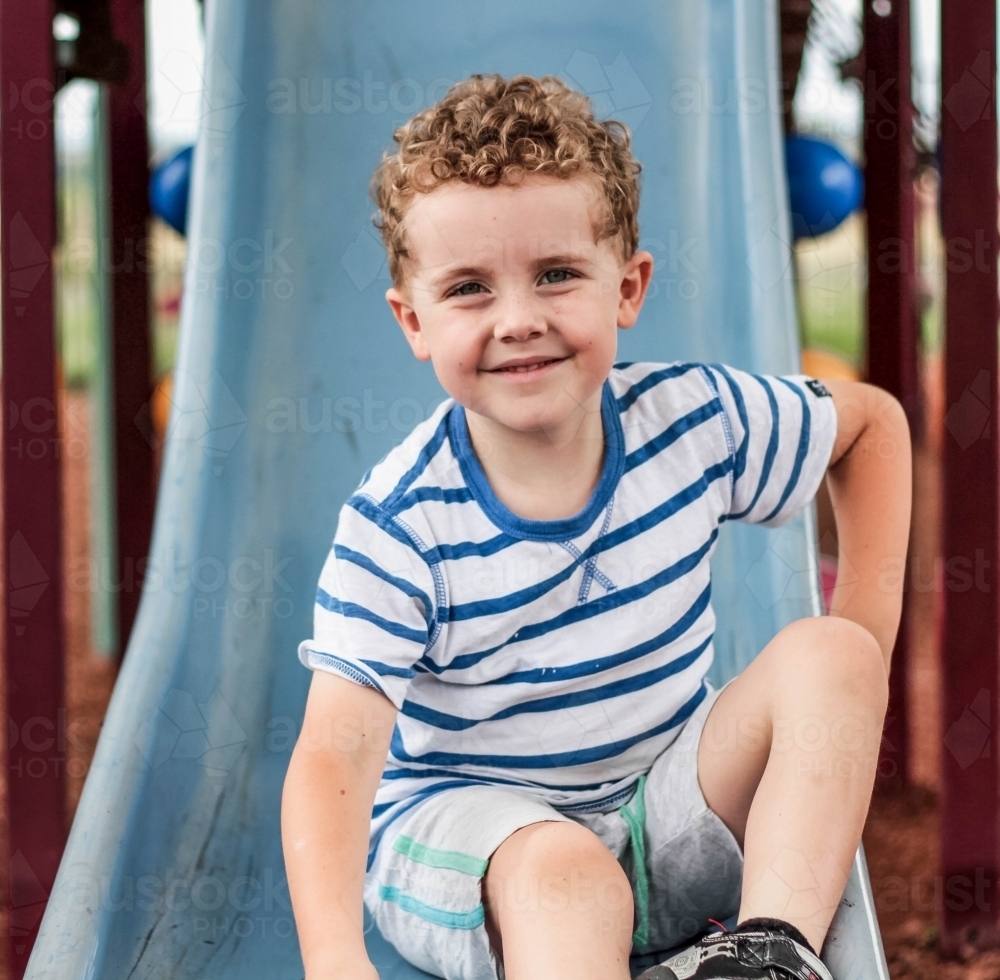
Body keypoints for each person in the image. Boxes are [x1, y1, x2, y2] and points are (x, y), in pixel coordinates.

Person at [281, 74, 911, 980]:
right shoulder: (402, 524)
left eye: (557, 273)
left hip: (662, 813)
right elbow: (333, 756)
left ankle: (768, 953)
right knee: (568, 878)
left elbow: (870, 429)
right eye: (469, 289)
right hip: (482, 844)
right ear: (413, 322)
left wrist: (865, 665)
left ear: (629, 286)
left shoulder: (691, 421)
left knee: (836, 652)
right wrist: (336, 958)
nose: (520, 319)